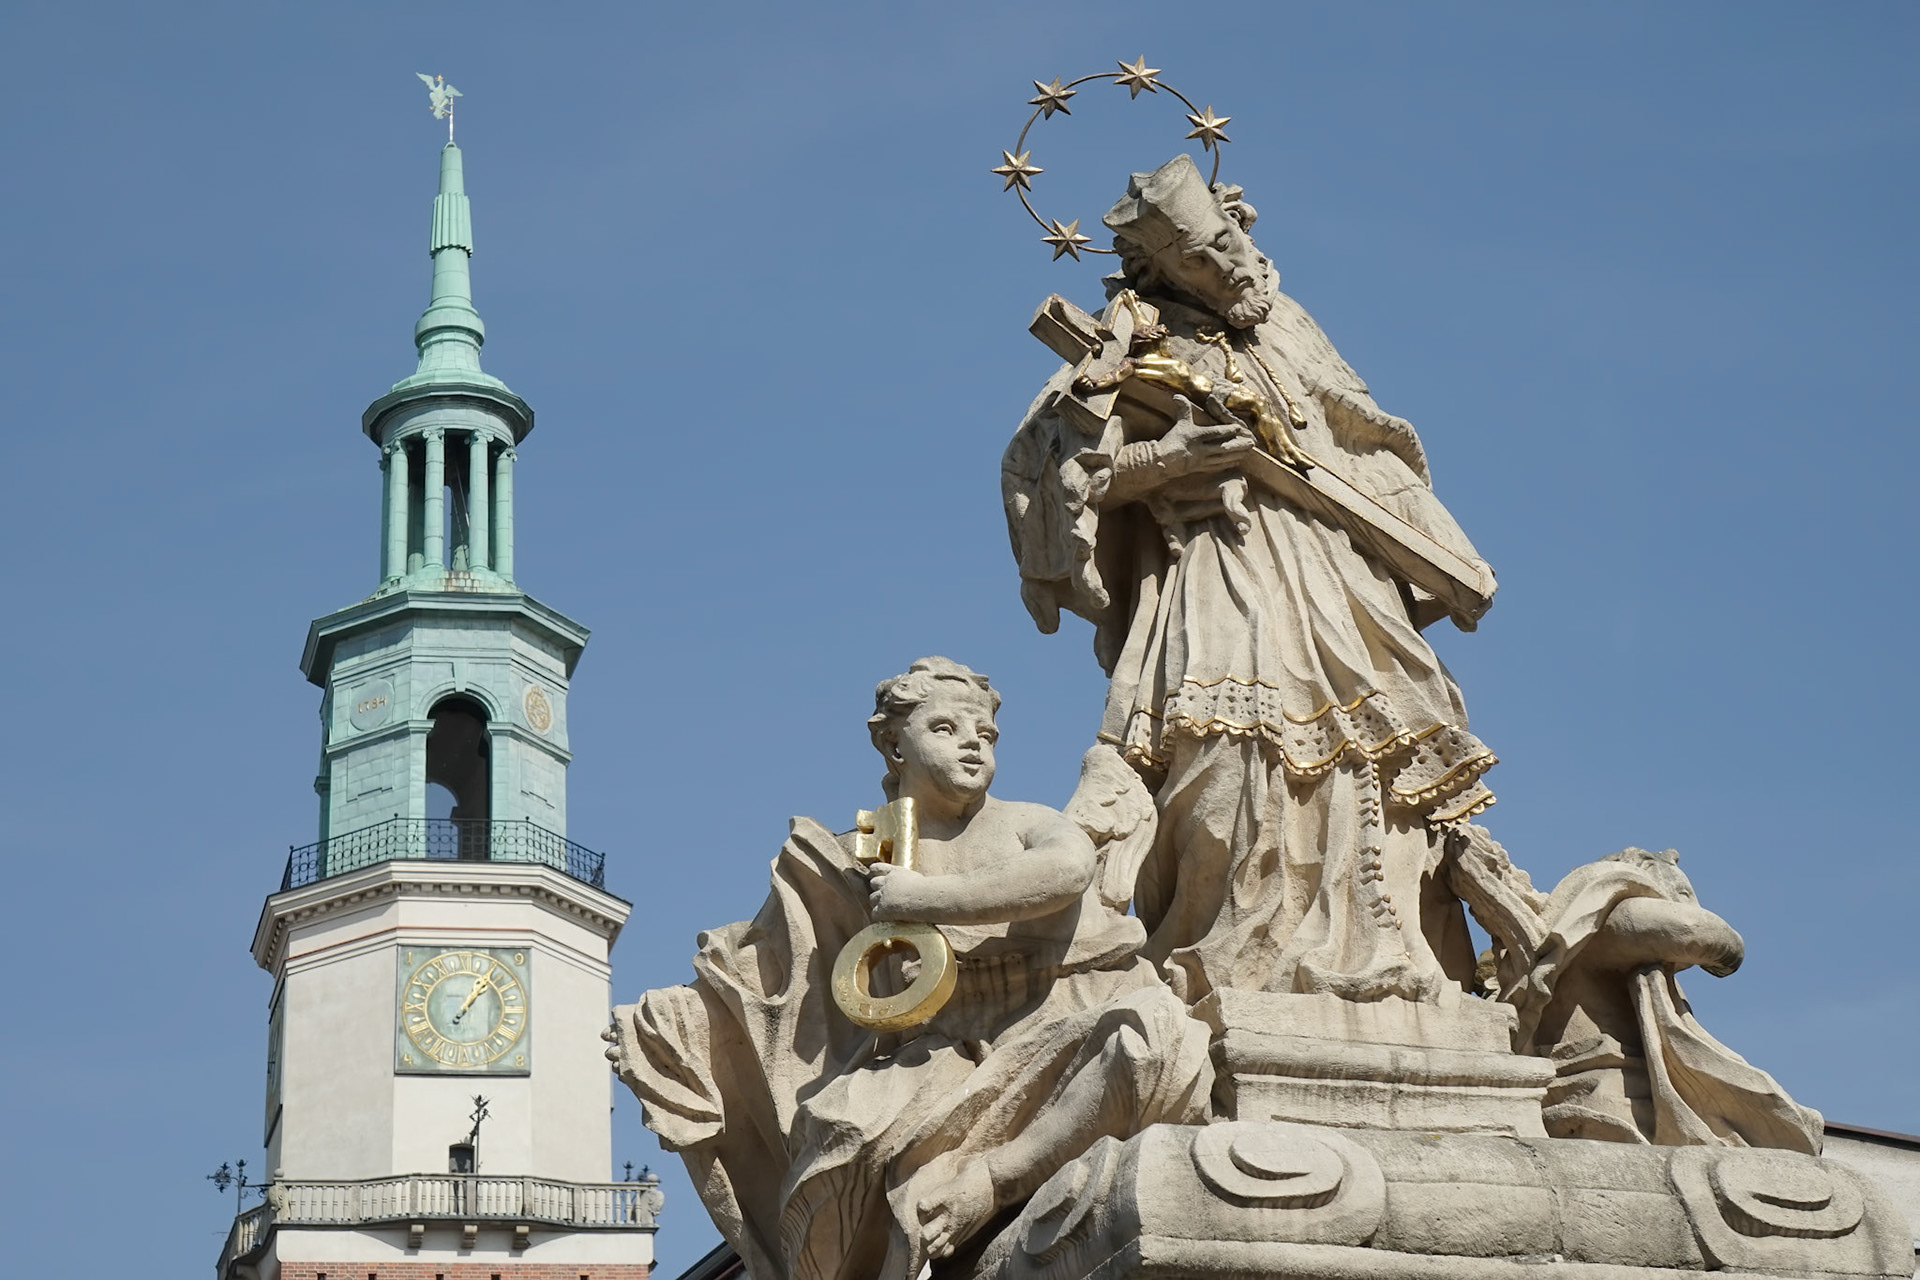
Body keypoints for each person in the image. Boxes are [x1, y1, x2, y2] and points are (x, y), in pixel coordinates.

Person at [1004, 153, 1498, 1005]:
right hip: (1218, 558)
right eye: (1198, 256)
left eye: (1226, 239)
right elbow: (1048, 473)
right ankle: (1235, 953)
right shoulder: (1121, 341)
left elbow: (1363, 437)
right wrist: (1163, 460)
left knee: (1375, 758)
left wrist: (1419, 533)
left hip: (1335, 562)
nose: (1227, 263)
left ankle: (1389, 953)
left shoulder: (1286, 325)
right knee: (1227, 757)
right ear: (1157, 268)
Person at [607, 658, 1209, 1280]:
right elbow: (775, 967)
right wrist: (674, 1024)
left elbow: (1065, 873)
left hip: (1058, 1019)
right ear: (895, 743)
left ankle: (992, 1180)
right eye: (945, 728)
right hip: (939, 1051)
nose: (972, 742)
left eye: (985, 732)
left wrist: (922, 899)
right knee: (837, 1141)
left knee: (1156, 1042)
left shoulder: (1025, 822)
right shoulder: (876, 846)